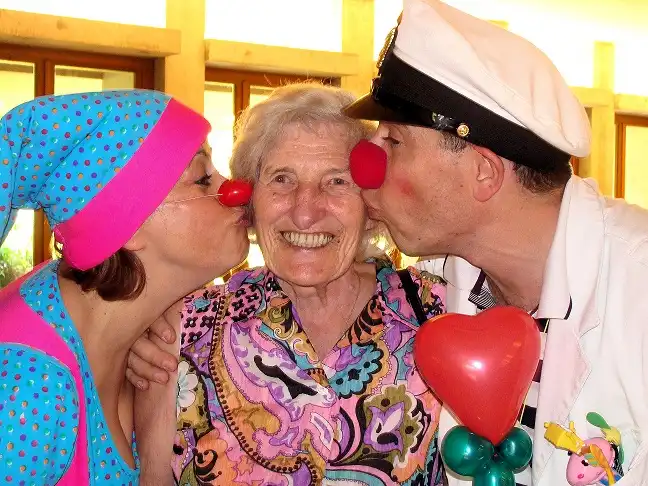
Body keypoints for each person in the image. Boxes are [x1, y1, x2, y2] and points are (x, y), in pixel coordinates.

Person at [342, 0, 648, 485]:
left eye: (393, 142)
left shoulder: (640, 283)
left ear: (484, 172)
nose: (365, 166)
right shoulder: (432, 286)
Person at [128, 83, 448, 486]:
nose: (305, 211)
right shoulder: (184, 329)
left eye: (336, 182)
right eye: (282, 179)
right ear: (251, 200)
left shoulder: (437, 312)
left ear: (371, 203)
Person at [0, 89, 251, 485]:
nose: (236, 190)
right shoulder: (29, 392)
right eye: (203, 179)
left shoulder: (111, 327)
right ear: (126, 222)